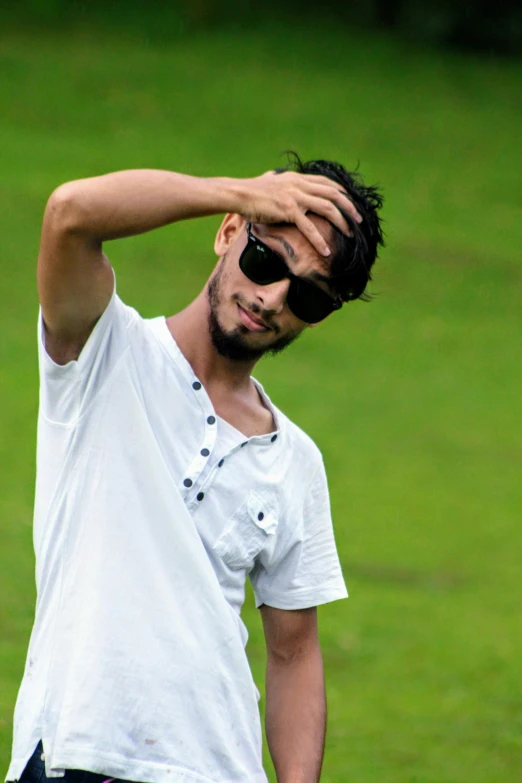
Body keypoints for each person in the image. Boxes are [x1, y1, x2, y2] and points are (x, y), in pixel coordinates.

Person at [6, 154, 384, 783]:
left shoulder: (295, 461)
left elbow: (294, 654)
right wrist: (234, 190)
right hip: (72, 755)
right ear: (230, 230)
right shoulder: (103, 351)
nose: (271, 299)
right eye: (266, 261)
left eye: (309, 298)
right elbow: (70, 214)